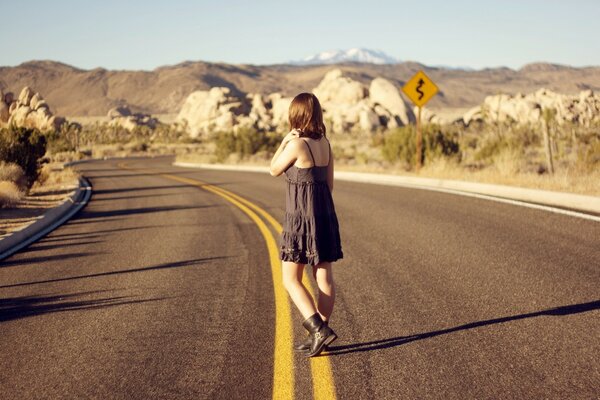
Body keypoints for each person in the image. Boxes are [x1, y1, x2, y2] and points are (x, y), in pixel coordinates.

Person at [269, 92, 343, 357]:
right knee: (323, 275)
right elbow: (330, 184)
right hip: (324, 214)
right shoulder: (326, 144)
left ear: (296, 115)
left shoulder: (297, 145)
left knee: (290, 279)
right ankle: (321, 331)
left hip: (301, 218)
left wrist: (283, 142)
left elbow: (274, 169)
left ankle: (318, 330)